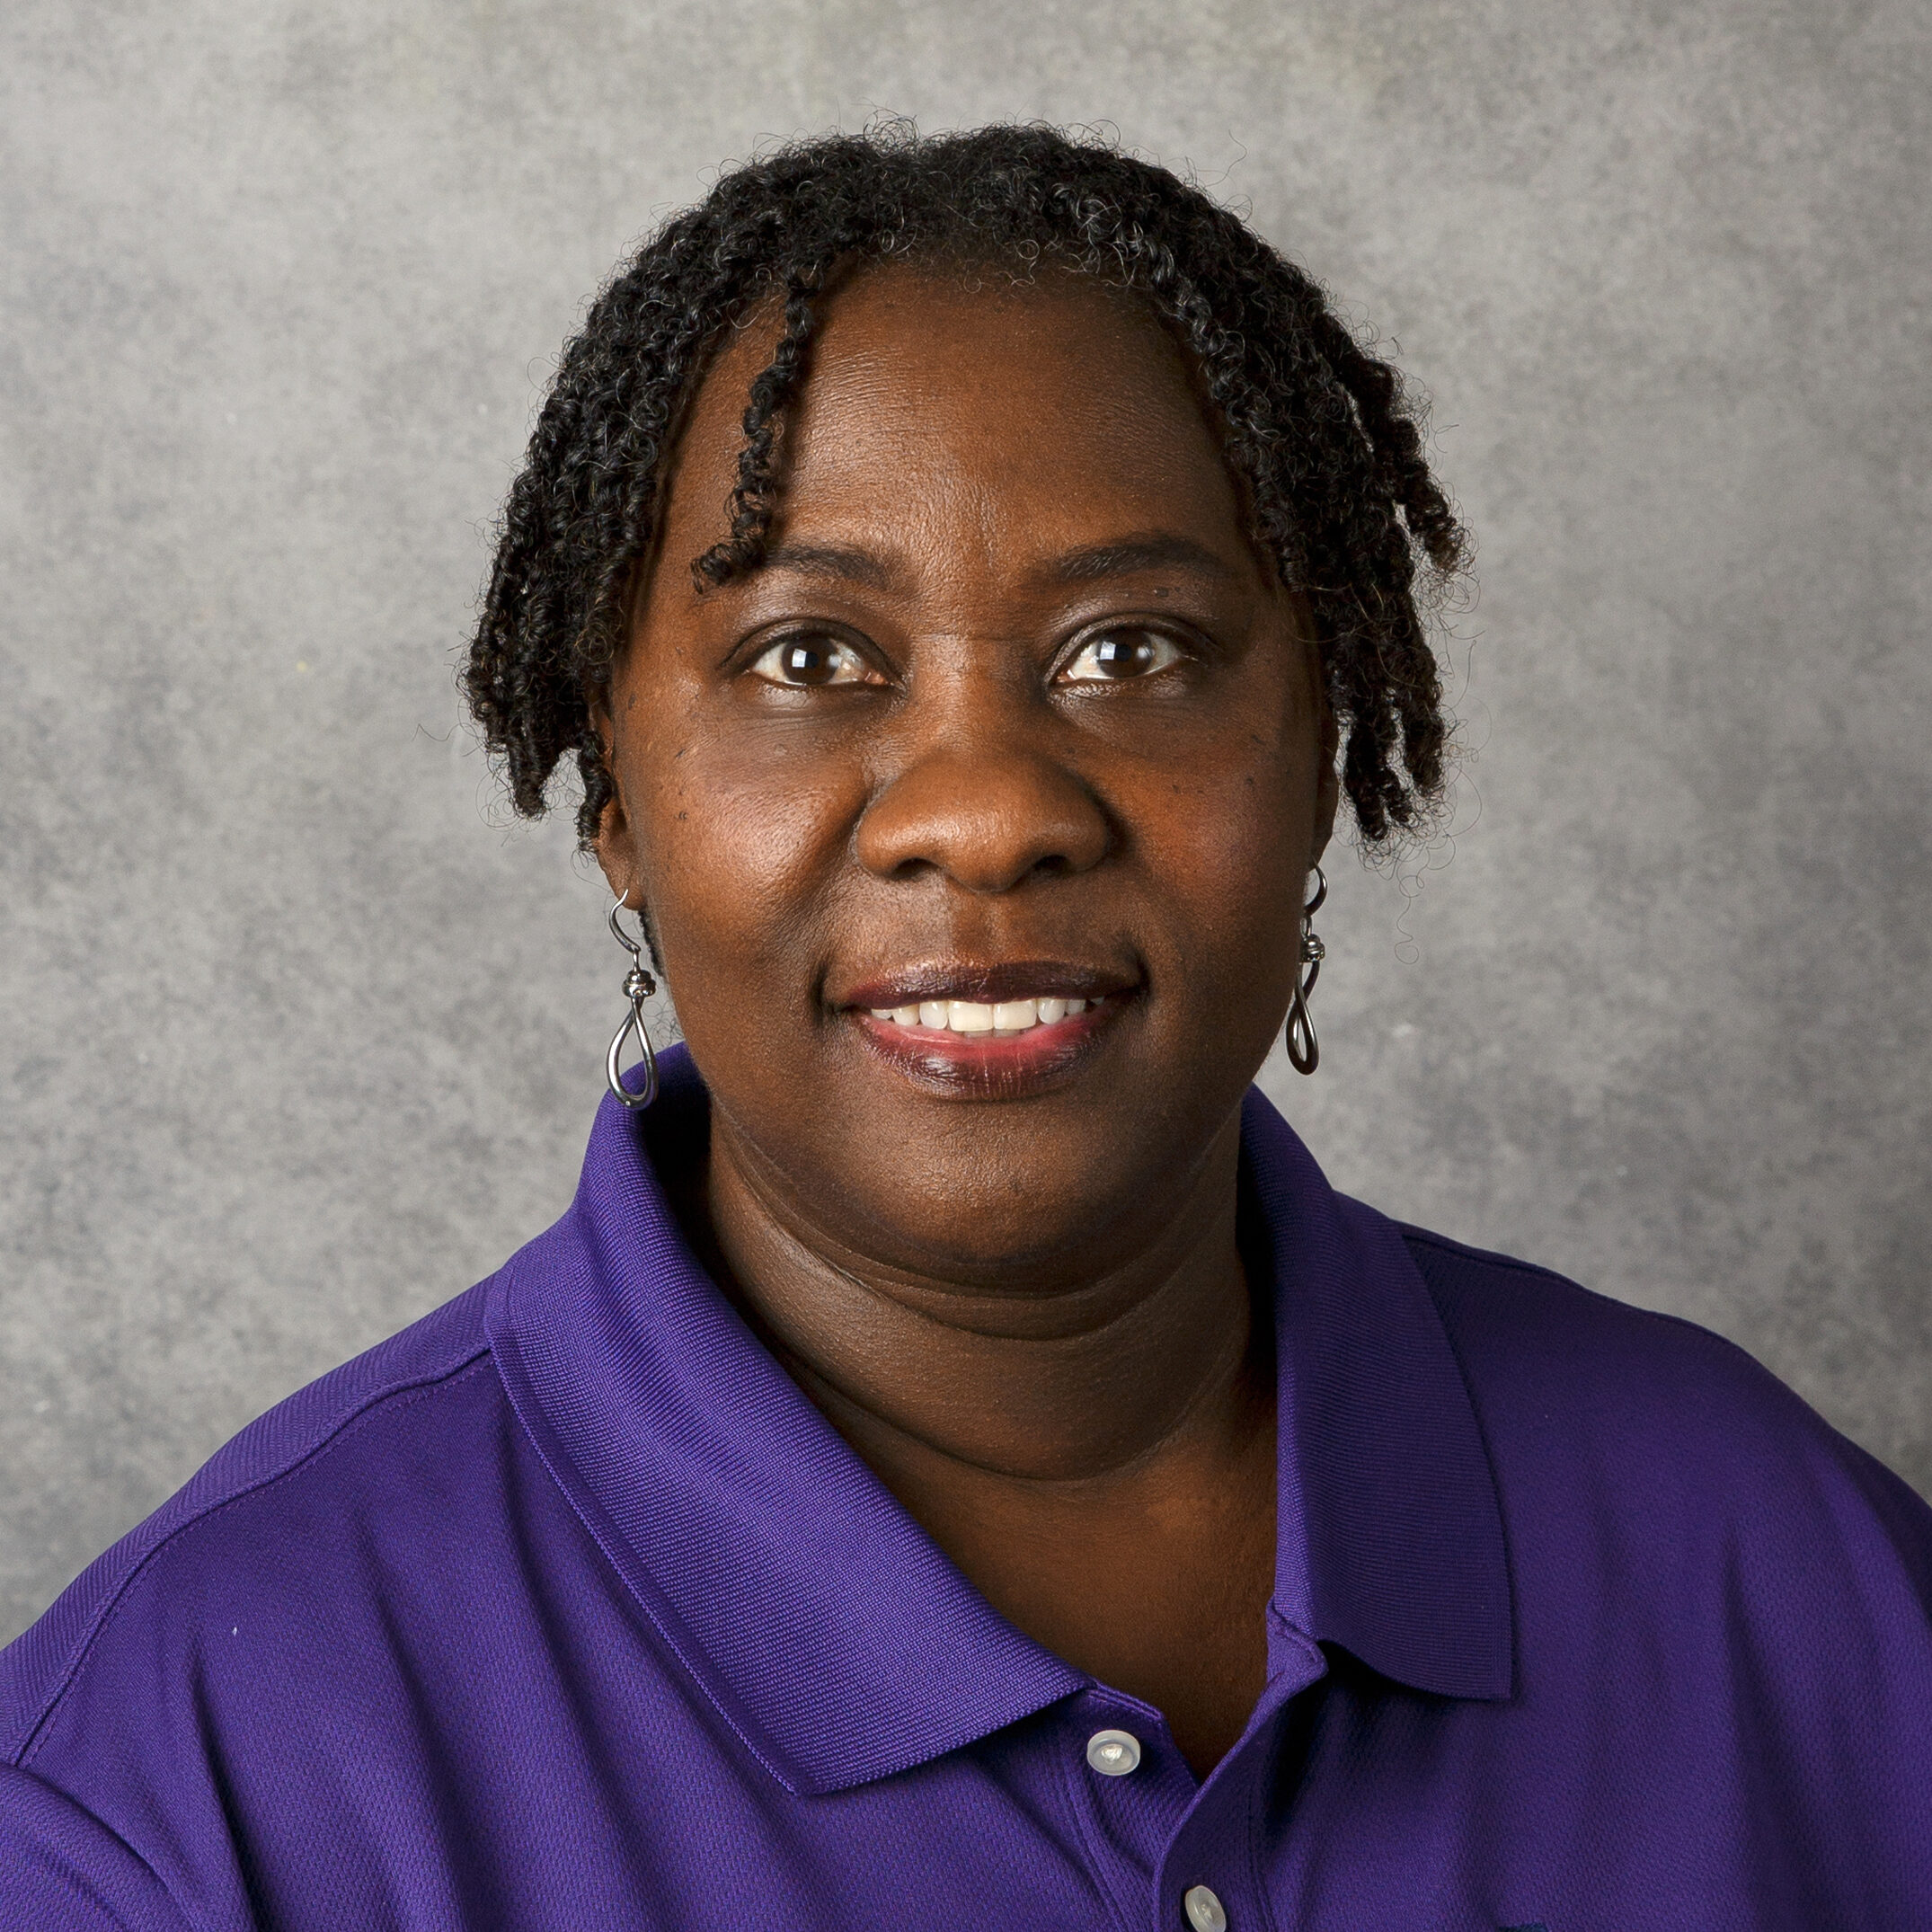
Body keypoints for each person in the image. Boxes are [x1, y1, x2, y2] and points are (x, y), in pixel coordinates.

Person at [4, 124, 1928, 1932]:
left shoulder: (1788, 1564)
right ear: (616, 802)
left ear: (1319, 753)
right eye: (806, 658)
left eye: (1132, 651)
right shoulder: (174, 1782)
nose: (987, 806)